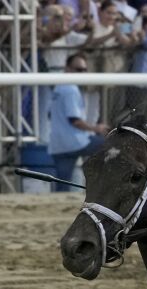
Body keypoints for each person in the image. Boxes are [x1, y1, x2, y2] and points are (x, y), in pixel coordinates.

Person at [47, 51, 107, 191]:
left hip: (58, 144)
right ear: (67, 69)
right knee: (110, 144)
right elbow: (75, 120)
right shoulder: (70, 89)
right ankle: (104, 186)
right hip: (75, 142)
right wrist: (96, 129)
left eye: (85, 70)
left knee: (62, 186)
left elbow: (49, 114)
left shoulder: (59, 87)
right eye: (79, 70)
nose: (82, 73)